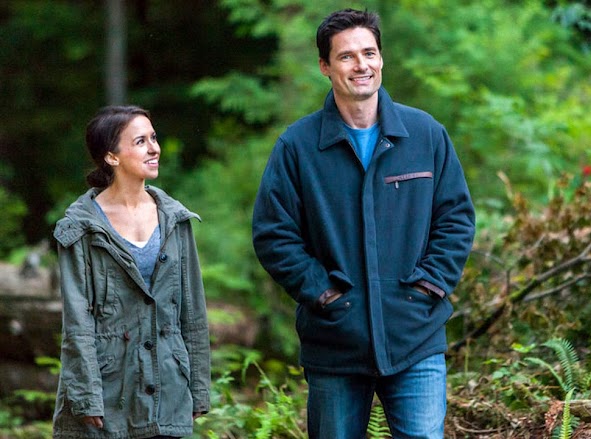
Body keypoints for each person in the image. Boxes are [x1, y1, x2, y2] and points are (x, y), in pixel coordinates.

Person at [252, 8, 475, 438]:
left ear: (381, 58)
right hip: (335, 341)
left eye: (369, 53)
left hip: (415, 335)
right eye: (347, 56)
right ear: (325, 66)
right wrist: (323, 294)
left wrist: (429, 286)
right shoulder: (298, 146)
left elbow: (456, 219)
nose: (361, 65)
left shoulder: (425, 134)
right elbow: (273, 233)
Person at [52, 106, 211, 438]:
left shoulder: (175, 220)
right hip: (109, 396)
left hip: (169, 390)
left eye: (154, 138)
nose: (154, 149)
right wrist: (87, 397)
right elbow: (77, 323)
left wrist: (198, 388)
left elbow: (193, 312)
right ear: (111, 156)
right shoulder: (80, 227)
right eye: (141, 142)